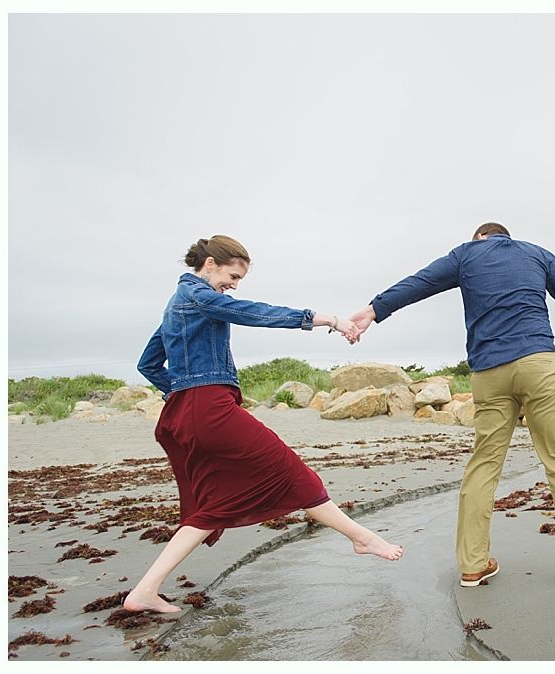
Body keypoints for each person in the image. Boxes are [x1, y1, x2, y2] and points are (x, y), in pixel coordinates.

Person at [125, 235, 402, 614]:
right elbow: (255, 313)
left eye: (239, 280)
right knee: (291, 471)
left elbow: (148, 365)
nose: (234, 286)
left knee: (215, 505)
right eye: (232, 276)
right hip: (208, 409)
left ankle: (144, 592)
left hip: (190, 410)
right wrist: (329, 320)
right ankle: (362, 537)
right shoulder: (197, 296)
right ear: (209, 264)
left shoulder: (177, 304)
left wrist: (186, 393)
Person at [348, 223, 555, 585]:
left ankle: (473, 564)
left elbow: (420, 283)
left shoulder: (465, 255)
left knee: (484, 463)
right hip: (538, 363)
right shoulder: (537, 253)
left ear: (479, 237)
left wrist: (373, 311)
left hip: (489, 371)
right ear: (504, 237)